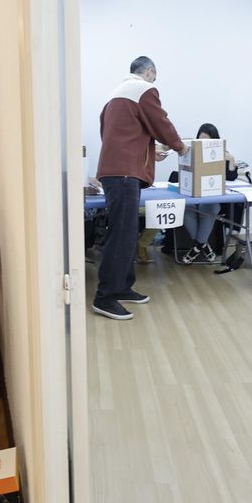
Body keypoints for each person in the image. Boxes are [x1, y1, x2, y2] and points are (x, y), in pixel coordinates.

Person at [92, 56, 188, 320]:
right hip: (124, 174)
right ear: (148, 72)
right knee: (121, 235)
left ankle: (122, 287)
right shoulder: (143, 89)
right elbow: (160, 122)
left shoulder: (114, 96)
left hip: (116, 171)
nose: (154, 83)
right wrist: (181, 147)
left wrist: (146, 151)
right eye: (153, 78)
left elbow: (116, 136)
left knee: (127, 232)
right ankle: (105, 297)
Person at [180, 123, 238, 264]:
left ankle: (197, 247)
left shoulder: (221, 153)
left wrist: (231, 160)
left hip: (213, 197)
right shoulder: (192, 152)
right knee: (186, 209)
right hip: (194, 195)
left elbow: (231, 177)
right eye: (201, 140)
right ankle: (203, 246)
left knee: (210, 209)